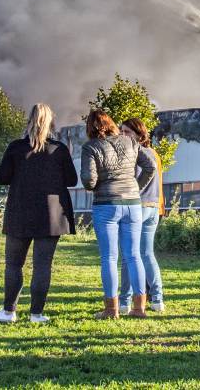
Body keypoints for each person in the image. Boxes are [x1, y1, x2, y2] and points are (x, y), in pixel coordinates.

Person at [0, 103, 78, 324]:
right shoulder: (60, 149)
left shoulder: (16, 147)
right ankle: (36, 314)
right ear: (52, 123)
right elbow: (72, 180)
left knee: (14, 264)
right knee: (43, 265)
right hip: (52, 214)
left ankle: (8, 312)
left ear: (28, 121)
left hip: (20, 211)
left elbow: (2, 178)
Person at [81, 109, 157, 319]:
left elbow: (88, 180)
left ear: (91, 127)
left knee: (109, 258)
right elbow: (150, 166)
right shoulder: (129, 141)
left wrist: (97, 185)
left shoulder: (90, 147)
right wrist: (136, 188)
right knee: (134, 256)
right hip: (133, 204)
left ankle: (111, 309)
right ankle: (139, 308)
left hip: (106, 205)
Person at [117, 117, 166, 314]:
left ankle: (124, 302)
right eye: (121, 131)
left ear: (139, 134)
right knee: (146, 254)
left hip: (138, 206)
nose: (122, 135)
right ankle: (157, 299)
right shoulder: (154, 154)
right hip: (153, 207)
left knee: (129, 256)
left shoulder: (133, 153)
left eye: (127, 132)